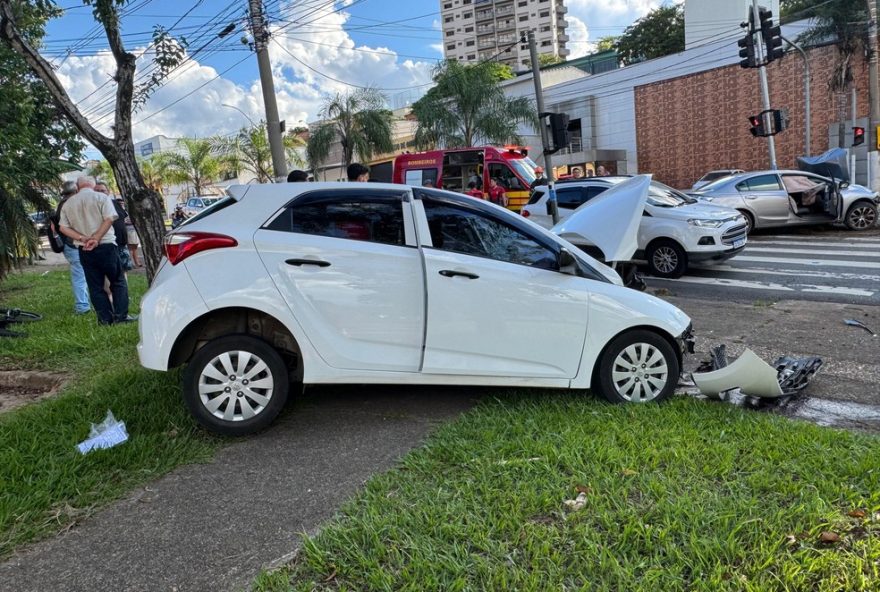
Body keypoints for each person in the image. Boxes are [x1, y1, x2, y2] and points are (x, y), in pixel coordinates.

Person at [59, 176, 134, 325]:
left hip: (84, 248)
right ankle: (121, 316)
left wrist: (82, 238)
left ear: (78, 187)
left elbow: (63, 227)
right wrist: (97, 238)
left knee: (95, 285)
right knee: (117, 281)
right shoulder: (101, 197)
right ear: (93, 186)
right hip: (106, 245)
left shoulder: (69, 203)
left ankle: (105, 319)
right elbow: (110, 218)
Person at [49, 181, 91, 315]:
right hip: (73, 244)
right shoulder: (70, 204)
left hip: (72, 244)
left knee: (82, 274)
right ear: (75, 191)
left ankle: (84, 304)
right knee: (80, 275)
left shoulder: (63, 204)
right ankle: (82, 306)